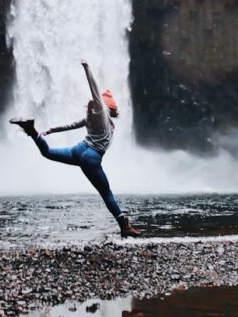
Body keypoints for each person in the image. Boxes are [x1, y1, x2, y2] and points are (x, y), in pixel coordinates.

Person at [10, 60, 141, 238]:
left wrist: (50, 130)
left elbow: (70, 125)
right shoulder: (101, 114)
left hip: (78, 150)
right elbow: (94, 89)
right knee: (106, 193)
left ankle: (31, 130)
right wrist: (87, 68)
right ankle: (124, 225)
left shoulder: (89, 117)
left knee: (47, 153)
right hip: (91, 157)